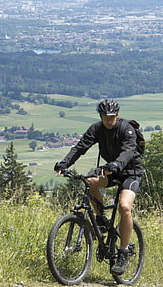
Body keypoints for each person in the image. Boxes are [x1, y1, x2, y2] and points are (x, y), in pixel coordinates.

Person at [54, 99, 144, 275]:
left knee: (124, 207)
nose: (109, 120)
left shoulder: (127, 129)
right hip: (111, 171)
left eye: (111, 117)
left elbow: (128, 151)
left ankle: (124, 252)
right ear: (101, 116)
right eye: (105, 117)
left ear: (117, 115)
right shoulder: (96, 129)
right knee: (90, 182)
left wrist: (116, 164)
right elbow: (80, 148)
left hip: (130, 172)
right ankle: (101, 219)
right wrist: (64, 163)